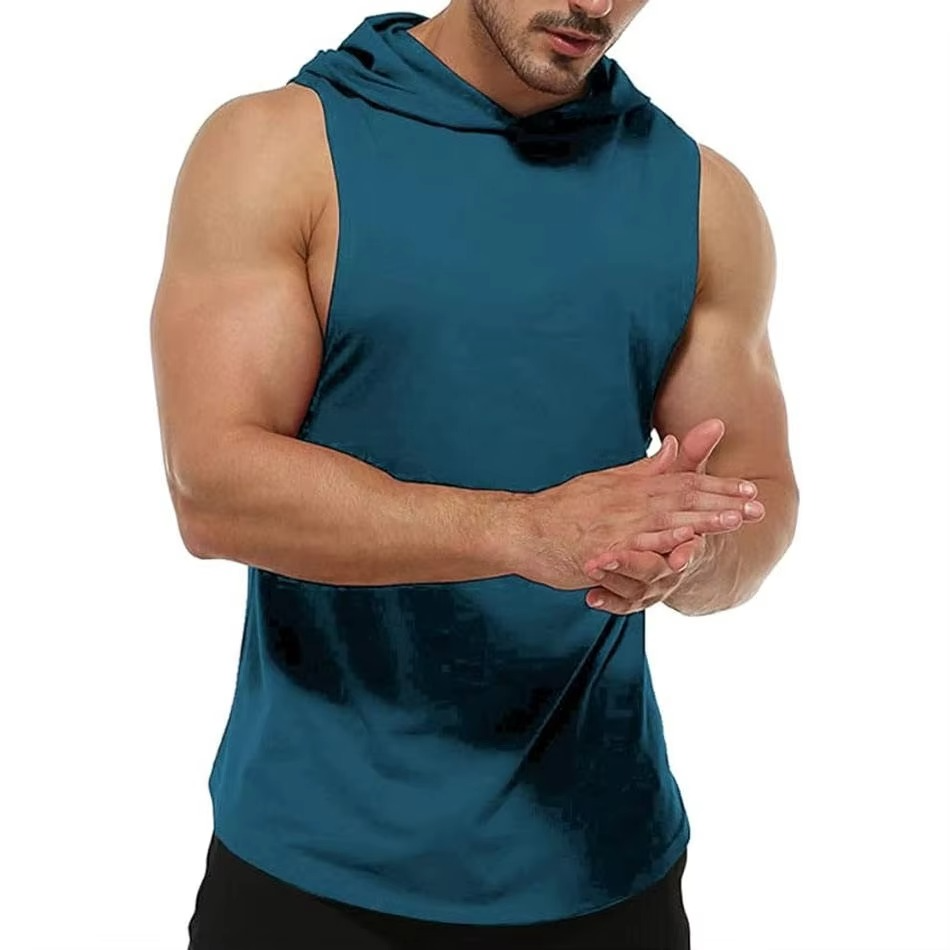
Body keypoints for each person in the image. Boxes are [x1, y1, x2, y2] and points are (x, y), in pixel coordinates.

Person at [150, 1, 799, 947]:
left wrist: (685, 561)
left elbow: (758, 494)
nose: (596, 6)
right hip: (314, 865)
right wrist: (523, 531)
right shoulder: (281, 148)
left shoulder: (700, 195)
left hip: (600, 864)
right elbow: (212, 488)